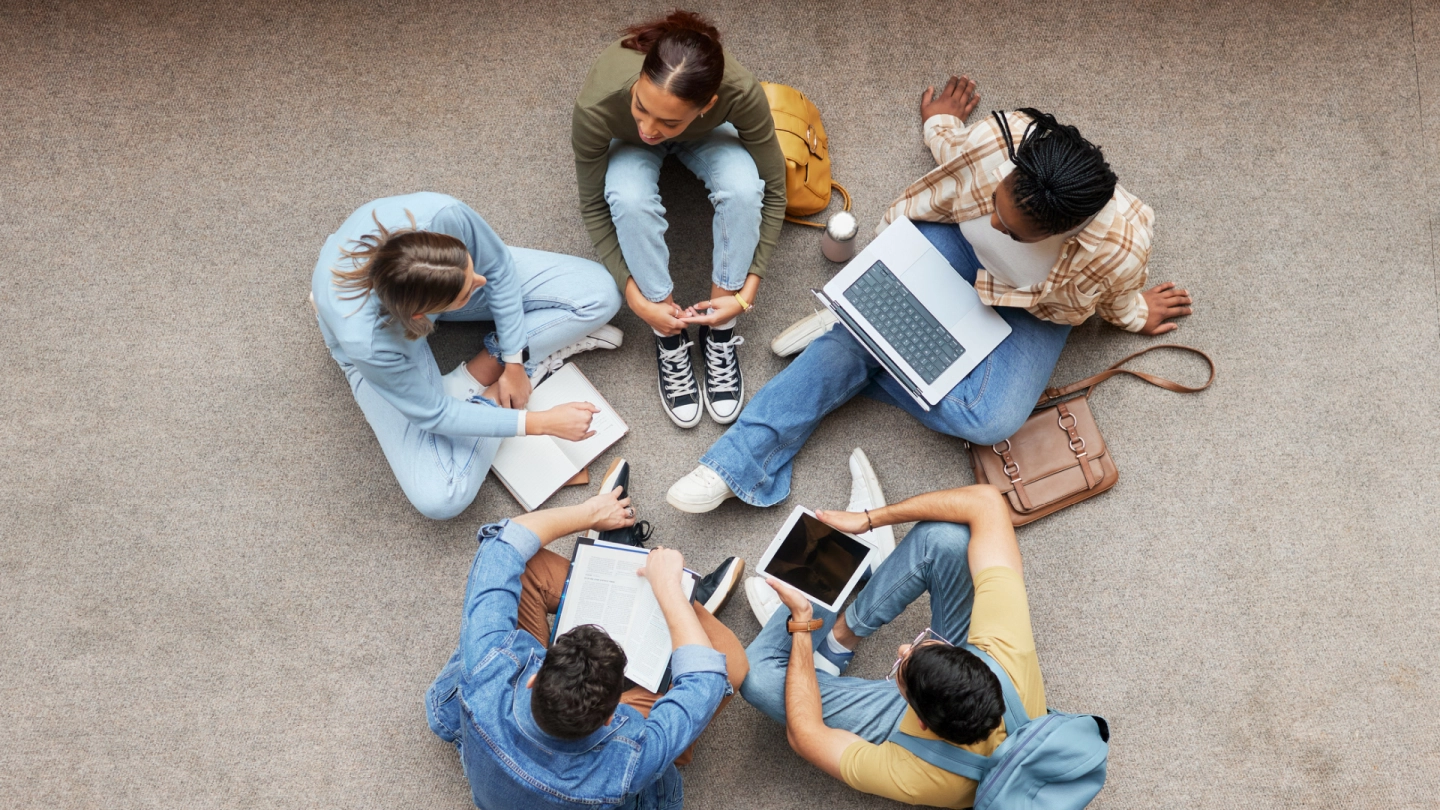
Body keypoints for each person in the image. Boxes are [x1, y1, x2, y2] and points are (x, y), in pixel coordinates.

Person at [665, 76, 1194, 512]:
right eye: (996, 202)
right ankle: (737, 460)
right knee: (883, 347)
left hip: (1033, 304)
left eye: (1011, 229)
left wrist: (1134, 312)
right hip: (947, 244)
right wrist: (940, 122)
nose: (993, 220)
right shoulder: (1002, 139)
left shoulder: (1120, 247)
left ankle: (857, 333)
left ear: (1064, 230)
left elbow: (1115, 294)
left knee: (989, 420)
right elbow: (955, 152)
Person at [425, 462, 747, 810]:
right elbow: (707, 681)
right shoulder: (627, 762)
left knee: (526, 568)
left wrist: (589, 512)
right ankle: (676, 596)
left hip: (491, 757)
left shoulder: (489, 669)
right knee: (730, 659)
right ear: (613, 717)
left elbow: (503, 545)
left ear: (534, 678)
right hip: (618, 782)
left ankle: (619, 567)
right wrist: (669, 590)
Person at [311, 192, 622, 520]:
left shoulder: (442, 216)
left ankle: (488, 367)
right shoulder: (370, 345)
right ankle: (491, 392)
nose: (482, 281)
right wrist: (538, 422)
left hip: (426, 296)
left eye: (469, 267)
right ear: (423, 316)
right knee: (442, 496)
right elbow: (434, 414)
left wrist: (514, 361)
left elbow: (497, 269)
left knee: (601, 294)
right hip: (384, 343)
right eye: (467, 291)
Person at [740, 483, 1047, 808]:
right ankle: (838, 641)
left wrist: (802, 622)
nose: (902, 648)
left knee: (757, 677)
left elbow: (805, 737)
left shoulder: (920, 774)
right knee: (946, 538)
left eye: (900, 670)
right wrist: (870, 519)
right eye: (920, 645)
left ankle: (824, 579)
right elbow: (985, 501)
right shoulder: (1005, 644)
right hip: (974, 699)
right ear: (973, 658)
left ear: (919, 723)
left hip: (944, 750)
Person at [572, 10, 787, 428]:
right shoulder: (598, 106)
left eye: (666, 121)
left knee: (745, 189)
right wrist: (636, 298)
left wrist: (744, 294)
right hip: (624, 144)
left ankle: (719, 321)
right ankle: (666, 329)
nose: (651, 128)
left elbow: (774, 189)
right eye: (641, 107)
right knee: (627, 198)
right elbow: (594, 205)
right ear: (635, 87)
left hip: (706, 135)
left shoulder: (738, 93)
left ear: (707, 105)